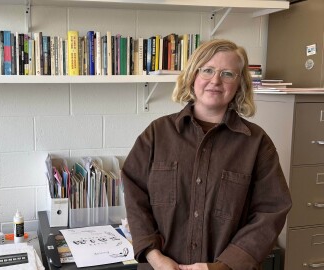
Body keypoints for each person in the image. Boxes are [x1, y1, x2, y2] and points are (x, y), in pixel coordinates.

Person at [122, 39, 292, 270]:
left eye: (228, 74)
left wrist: (223, 266)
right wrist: (154, 257)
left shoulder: (257, 143)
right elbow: (135, 199)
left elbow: (271, 211)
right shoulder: (156, 134)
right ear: (193, 75)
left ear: (239, 84)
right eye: (208, 70)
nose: (215, 81)